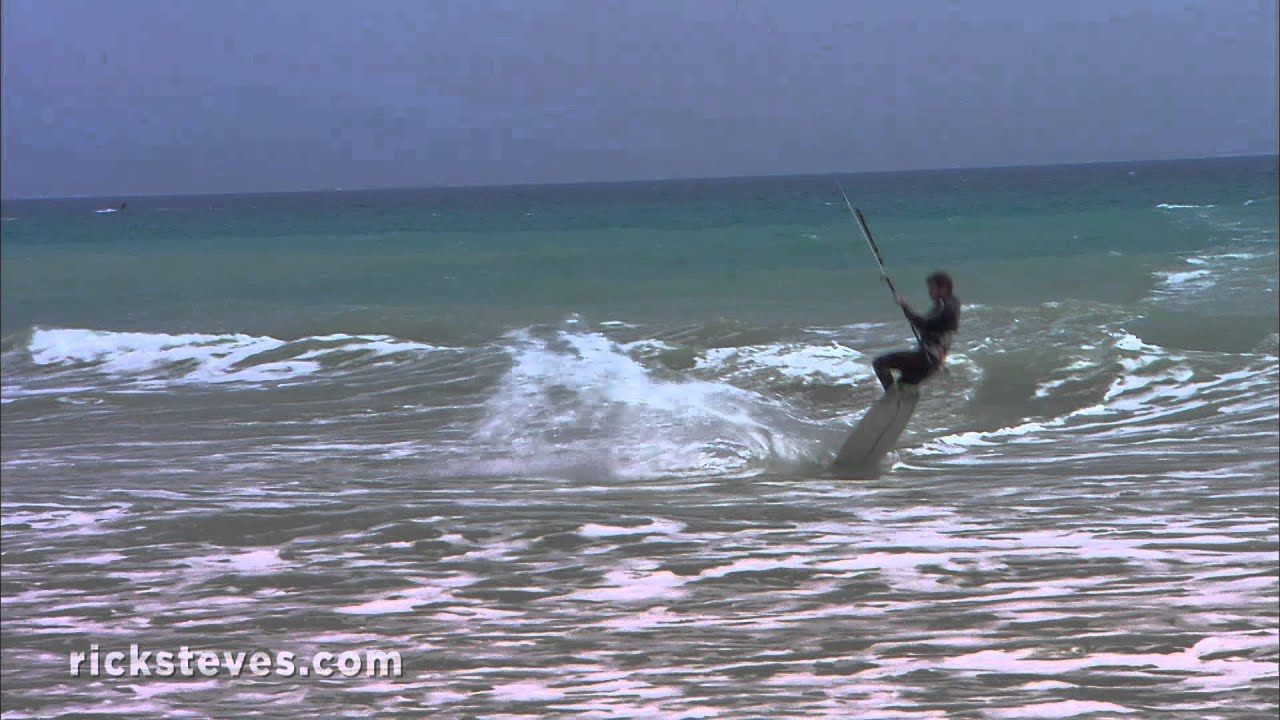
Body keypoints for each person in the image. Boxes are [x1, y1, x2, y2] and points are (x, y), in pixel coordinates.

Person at [872, 271, 960, 392]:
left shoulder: (947, 307)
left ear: (944, 288)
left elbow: (924, 324)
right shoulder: (950, 304)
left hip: (926, 359)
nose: (929, 292)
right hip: (932, 361)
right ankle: (900, 403)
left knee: (879, 363)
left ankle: (892, 398)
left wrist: (905, 306)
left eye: (932, 288)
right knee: (904, 386)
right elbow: (931, 326)